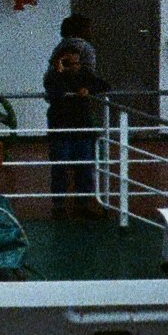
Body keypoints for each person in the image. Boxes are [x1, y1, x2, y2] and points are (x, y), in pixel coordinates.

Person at [43, 13, 107, 217]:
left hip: (74, 121)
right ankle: (73, 205)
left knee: (73, 165)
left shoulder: (60, 49)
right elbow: (53, 88)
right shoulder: (84, 50)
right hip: (67, 121)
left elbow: (99, 83)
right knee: (76, 165)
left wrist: (87, 88)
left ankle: (68, 205)